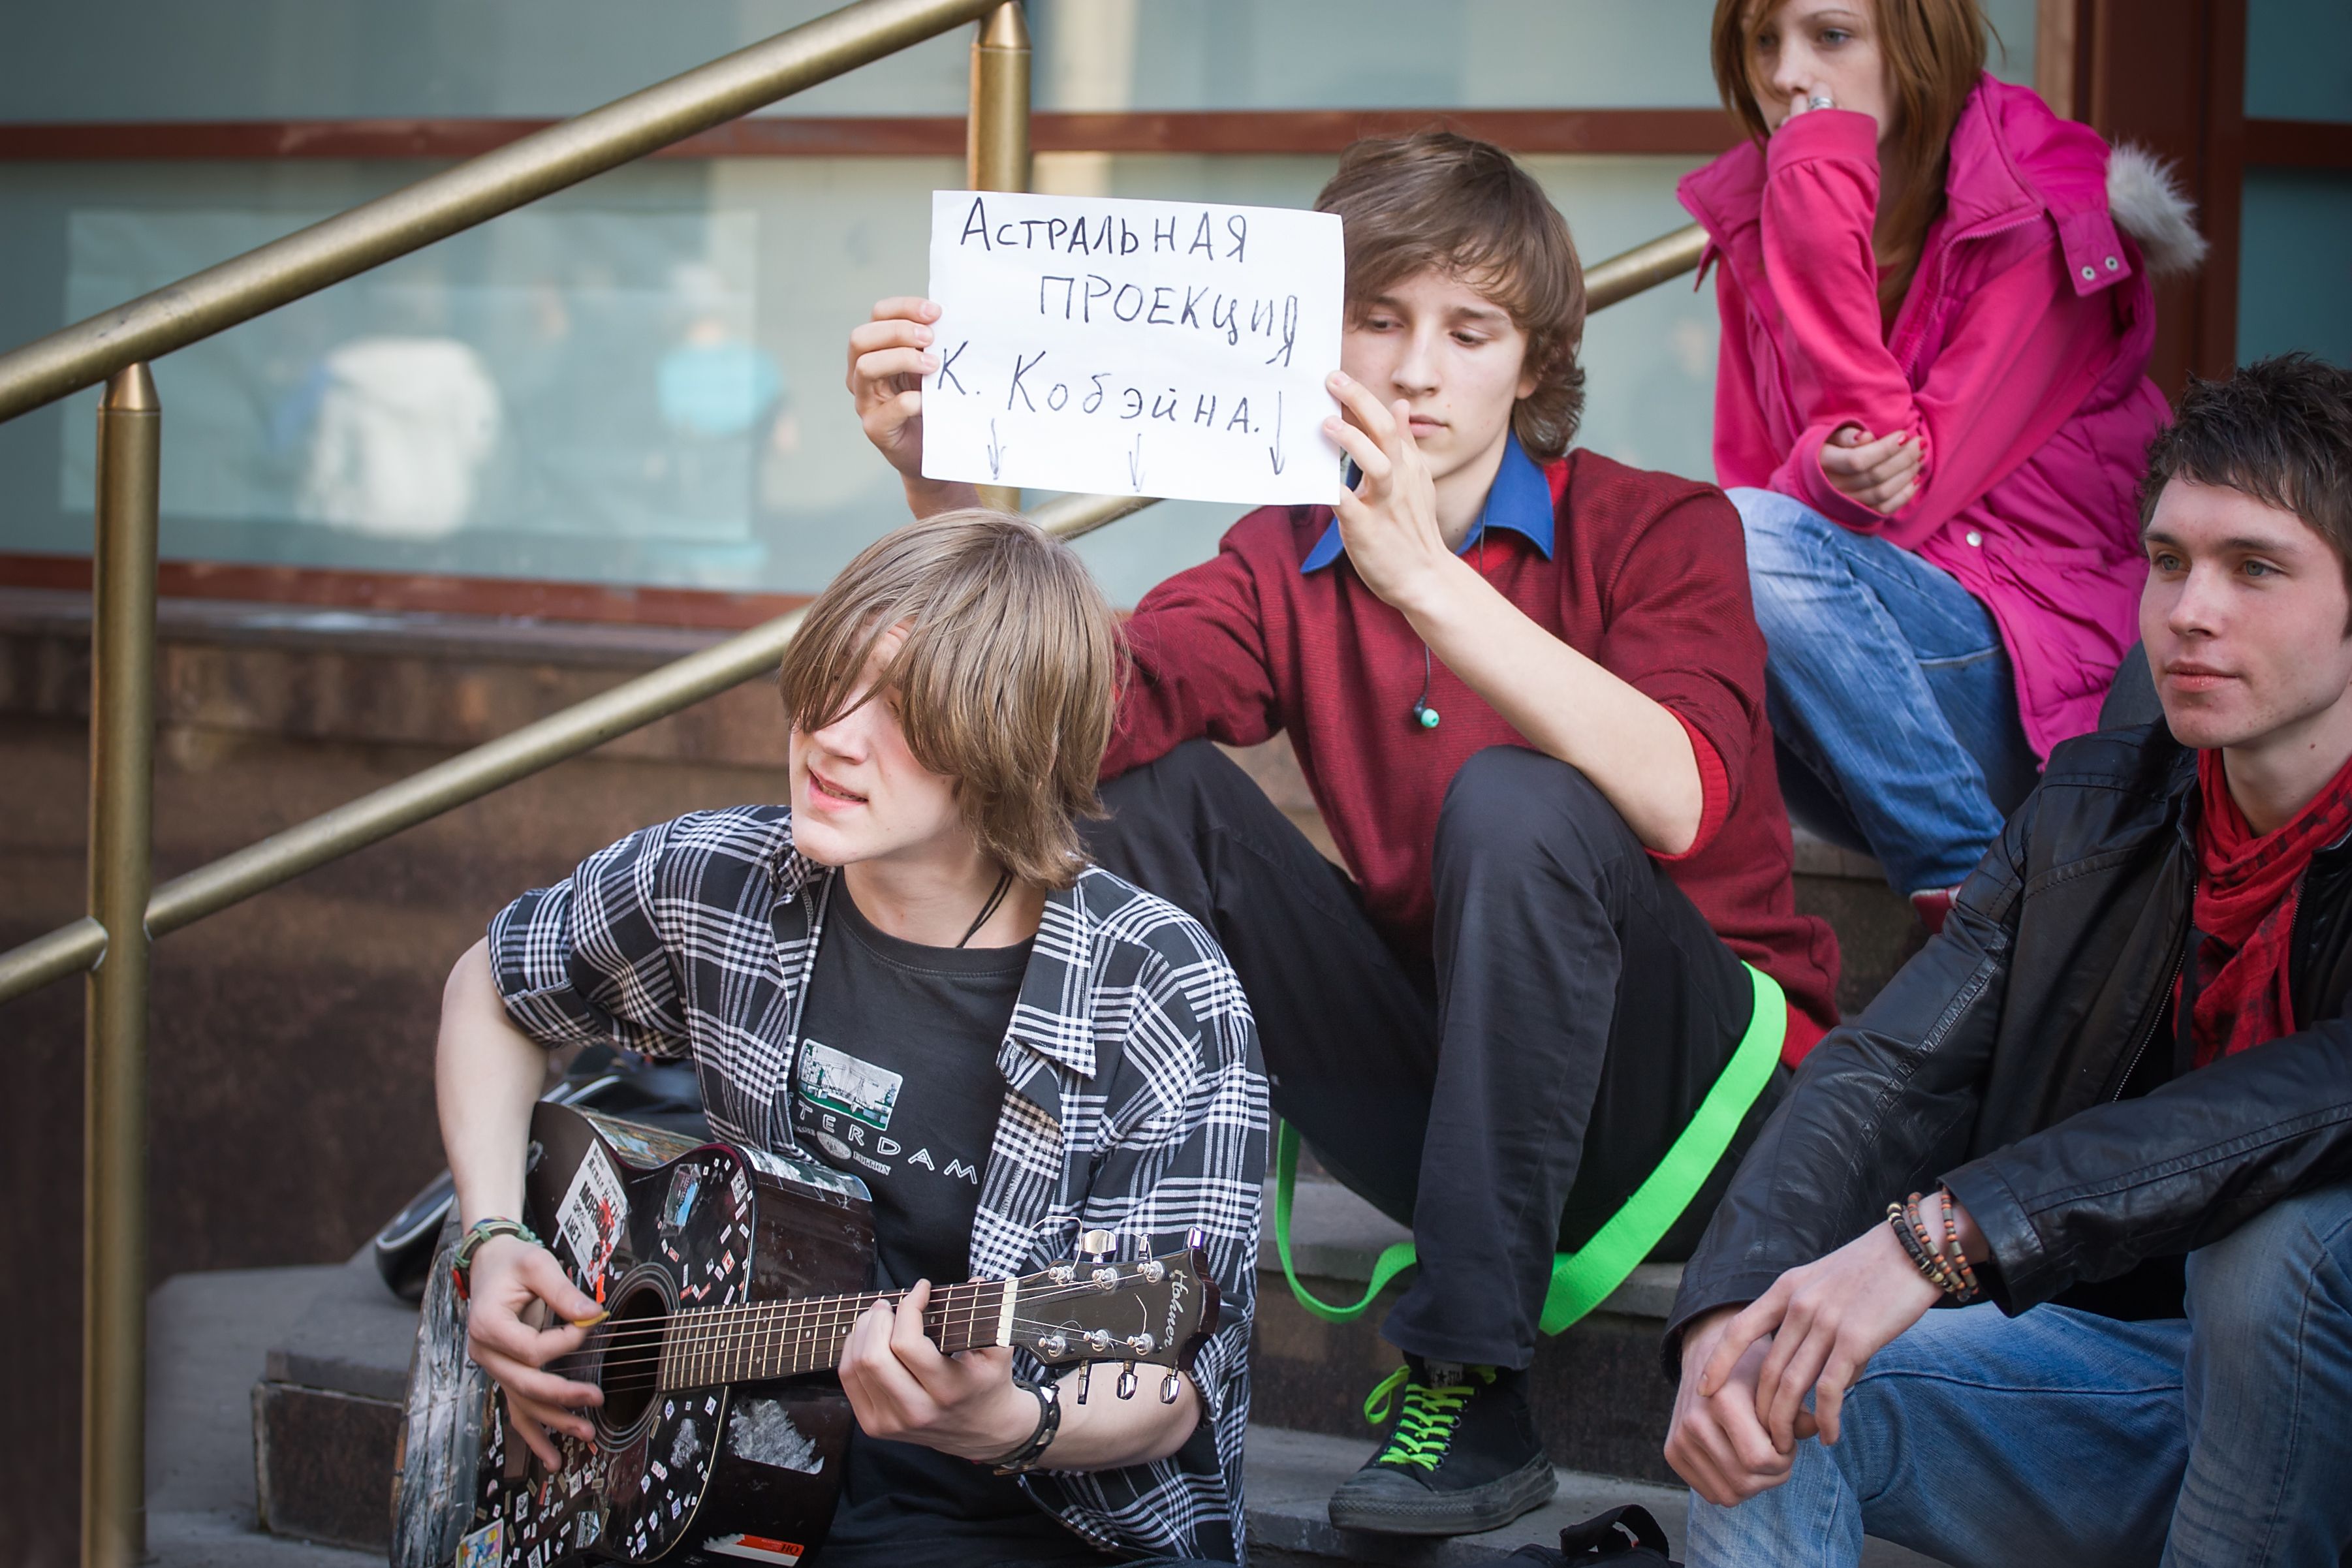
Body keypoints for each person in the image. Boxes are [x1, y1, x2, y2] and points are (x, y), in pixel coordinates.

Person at [846, 131, 1841, 1538]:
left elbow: (1679, 794)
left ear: (1531, 363)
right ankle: (1045, 1263)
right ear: (1313, 343)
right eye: (1374, 321)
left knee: (1519, 797)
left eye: (1467, 329)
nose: (1414, 370)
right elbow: (1076, 718)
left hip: (1703, 1117)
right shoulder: (1280, 555)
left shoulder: (1659, 527)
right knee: (1143, 797)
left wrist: (1426, 583)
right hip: (1455, 1097)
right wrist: (944, 491)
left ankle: (1466, 1372)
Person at [434, 512, 1266, 1567]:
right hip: (716, 1475)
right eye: (832, 679)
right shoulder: (716, 882)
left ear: (1019, 744)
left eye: (907, 710)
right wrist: (493, 1233)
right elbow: (494, 986)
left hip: (1029, 1518)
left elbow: (1174, 1378)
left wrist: (1014, 1422)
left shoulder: (1155, 984)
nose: (832, 733)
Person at [1663, 356, 2352, 1567]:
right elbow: (1886, 1068)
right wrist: (1732, 1307)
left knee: (2276, 1247)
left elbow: (2301, 1103)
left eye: (2256, 567)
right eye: (2171, 560)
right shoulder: (2093, 816)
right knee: (1774, 1373)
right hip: (2164, 1397)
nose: (2191, 610)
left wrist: (1946, 1234)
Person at [1680, 0, 2206, 927]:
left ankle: (1982, 904)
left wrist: (1811, 195)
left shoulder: (2037, 212)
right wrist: (1814, 472)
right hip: (1878, 692)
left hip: (2050, 704)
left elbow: (1904, 489)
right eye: (1764, 40)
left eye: (1830, 35)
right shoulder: (1753, 223)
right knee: (1679, 561)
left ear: (1915, 47)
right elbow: (1754, 483)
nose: (1788, 73)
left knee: (1746, 541)